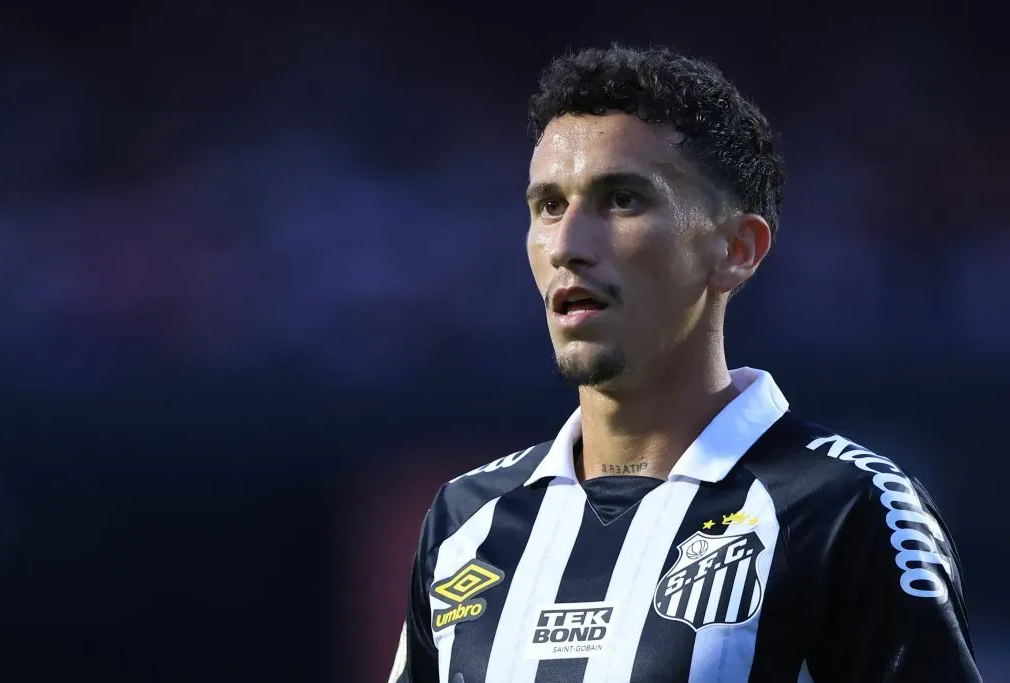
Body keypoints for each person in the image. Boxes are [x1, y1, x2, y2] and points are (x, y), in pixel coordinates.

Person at [388, 45, 981, 682]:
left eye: (621, 200)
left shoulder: (848, 508)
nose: (566, 245)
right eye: (549, 206)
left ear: (737, 250)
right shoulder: (466, 522)